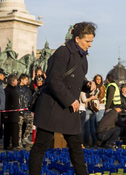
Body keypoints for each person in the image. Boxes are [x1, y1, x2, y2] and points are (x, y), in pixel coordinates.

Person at [29, 22, 97, 175]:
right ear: (77, 38)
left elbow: (76, 80)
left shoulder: (83, 58)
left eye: (91, 41)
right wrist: (70, 100)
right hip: (53, 106)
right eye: (87, 41)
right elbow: (54, 80)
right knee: (41, 145)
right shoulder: (62, 52)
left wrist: (88, 85)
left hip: (69, 108)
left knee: (76, 146)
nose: (90, 45)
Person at [3, 75, 20, 150]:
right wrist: (5, 113)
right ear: (12, 81)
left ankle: (15, 144)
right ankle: (8, 144)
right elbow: (5, 102)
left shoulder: (14, 89)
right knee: (8, 130)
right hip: (10, 113)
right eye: (16, 80)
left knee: (15, 129)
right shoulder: (8, 90)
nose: (17, 81)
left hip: (15, 113)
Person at [17, 74, 34, 147]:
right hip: (19, 111)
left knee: (30, 124)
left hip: (27, 110)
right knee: (19, 127)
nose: (27, 81)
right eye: (26, 80)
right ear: (22, 80)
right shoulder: (16, 88)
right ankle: (19, 141)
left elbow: (30, 98)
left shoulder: (27, 89)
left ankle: (25, 137)